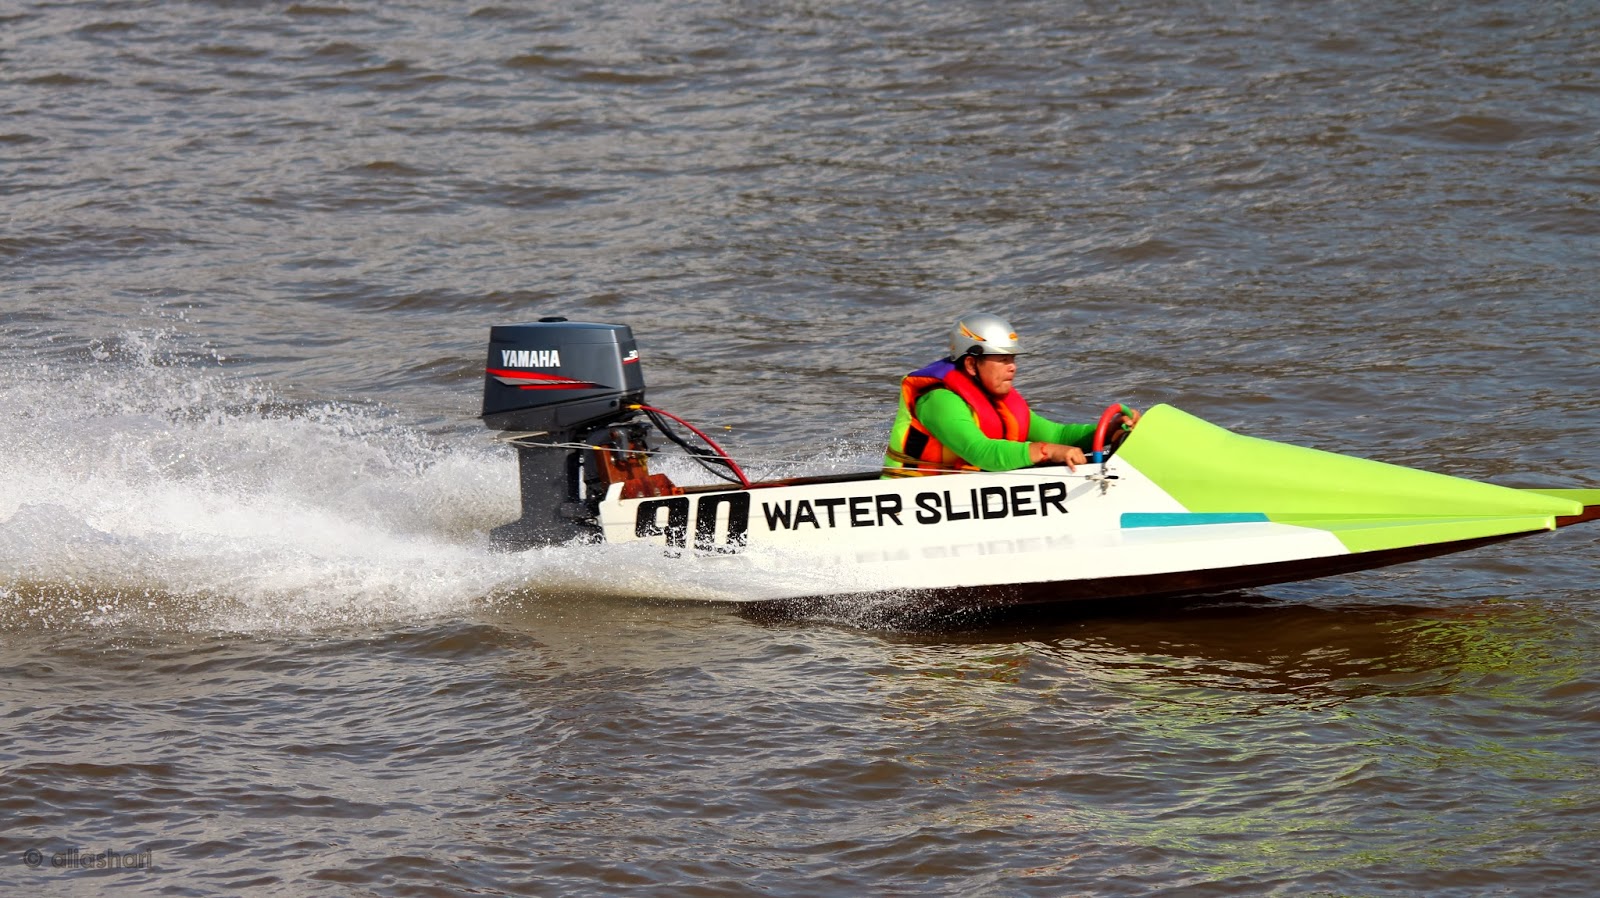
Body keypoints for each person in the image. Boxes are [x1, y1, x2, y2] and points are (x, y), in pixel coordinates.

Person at [881, 312, 1137, 477]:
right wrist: (1046, 451)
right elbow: (981, 452)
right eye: (1002, 359)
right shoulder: (939, 400)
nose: (1012, 366)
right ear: (971, 365)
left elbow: (1055, 434)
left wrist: (1107, 431)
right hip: (907, 502)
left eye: (1012, 358)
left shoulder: (999, 399)